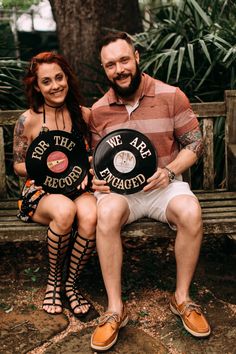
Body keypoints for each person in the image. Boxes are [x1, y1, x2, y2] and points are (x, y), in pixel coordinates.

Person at [88, 32, 211, 351]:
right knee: (106, 212)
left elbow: (195, 143)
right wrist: (96, 179)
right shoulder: (99, 110)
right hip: (120, 194)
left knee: (191, 211)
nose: (119, 69)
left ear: (137, 57)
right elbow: (94, 160)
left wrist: (170, 171)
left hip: (163, 186)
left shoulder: (171, 95)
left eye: (124, 60)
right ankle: (115, 309)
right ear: (104, 69)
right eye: (110, 64)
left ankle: (182, 298)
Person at [13, 52, 97, 318]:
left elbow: (96, 156)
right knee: (64, 211)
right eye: (46, 81)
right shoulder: (28, 120)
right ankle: (53, 283)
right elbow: (17, 165)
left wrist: (86, 168)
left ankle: (70, 286)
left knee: (92, 214)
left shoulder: (85, 115)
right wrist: (49, 166)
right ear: (37, 86)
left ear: (67, 79)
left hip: (78, 188)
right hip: (41, 191)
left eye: (59, 78)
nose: (55, 85)